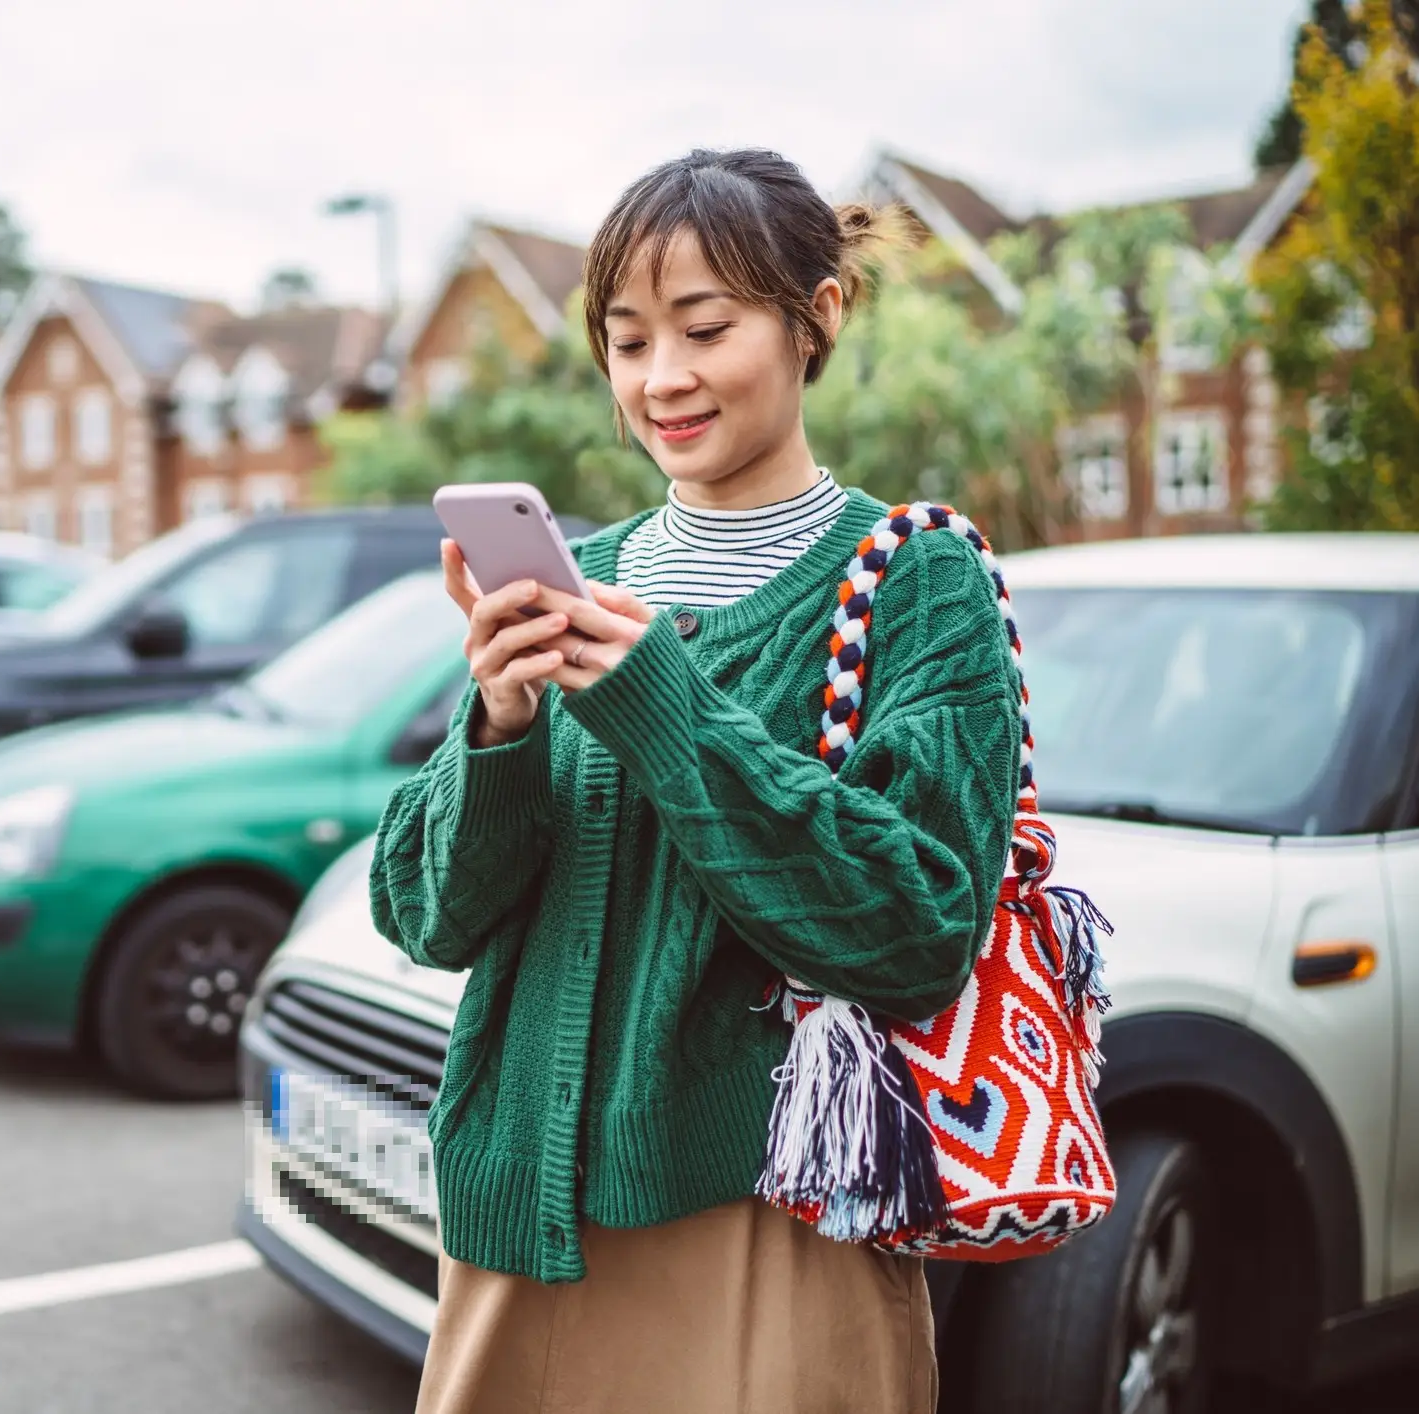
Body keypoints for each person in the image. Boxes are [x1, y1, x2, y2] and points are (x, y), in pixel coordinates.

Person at [369, 147, 1024, 1413]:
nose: (660, 379)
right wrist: (500, 725)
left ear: (816, 317)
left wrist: (664, 710)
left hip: (771, 1219)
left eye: (705, 327)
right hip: (522, 1216)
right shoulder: (581, 572)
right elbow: (426, 914)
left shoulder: (913, 581)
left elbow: (916, 928)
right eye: (626, 341)